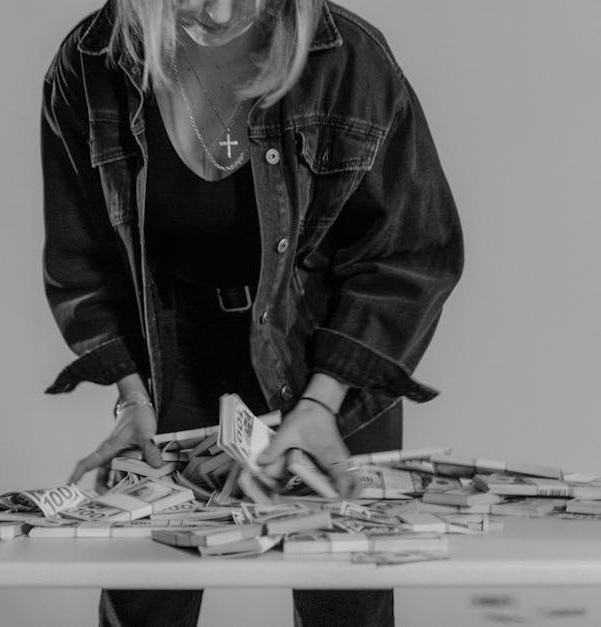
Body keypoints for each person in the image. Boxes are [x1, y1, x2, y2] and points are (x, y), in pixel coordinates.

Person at [41, 0, 463, 625]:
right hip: (175, 355)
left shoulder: (350, 59)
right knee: (145, 594)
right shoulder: (89, 61)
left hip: (327, 355)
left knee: (344, 598)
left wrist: (321, 402)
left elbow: (409, 253)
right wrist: (132, 397)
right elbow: (83, 257)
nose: (217, 12)